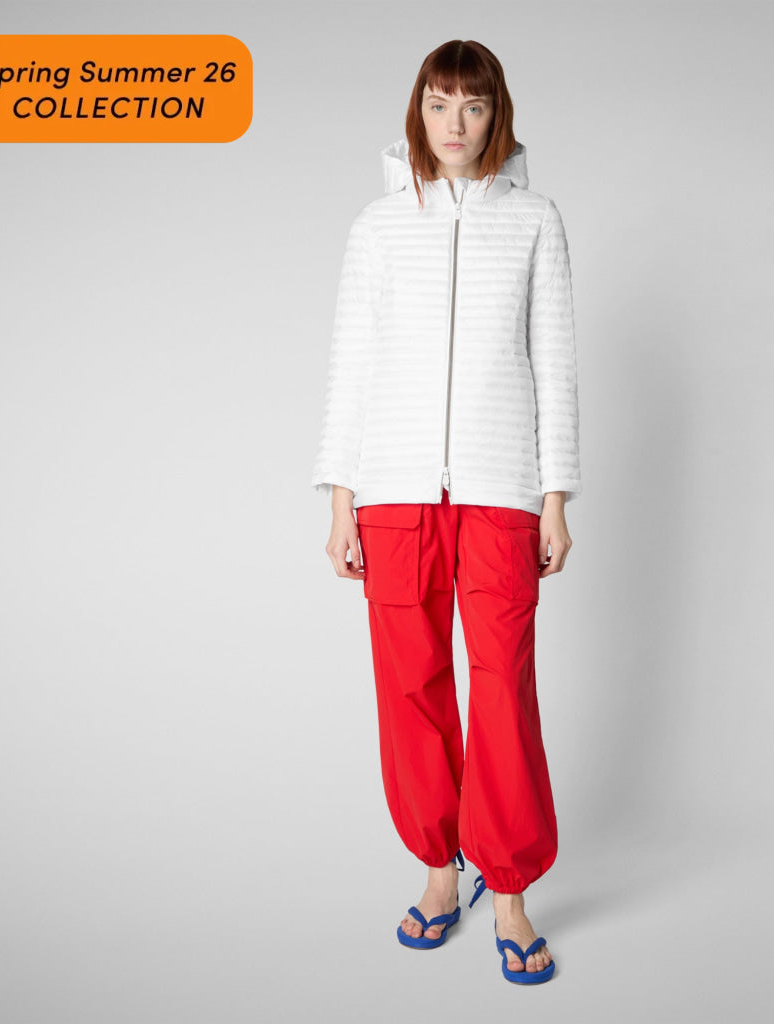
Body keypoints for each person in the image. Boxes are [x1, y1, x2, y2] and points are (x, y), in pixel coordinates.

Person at [311, 39, 580, 985]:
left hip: (501, 489)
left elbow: (555, 363)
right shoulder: (378, 226)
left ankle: (506, 888)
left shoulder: (536, 221)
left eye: (472, 104)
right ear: (416, 111)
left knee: (501, 686)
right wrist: (341, 498)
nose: (454, 123)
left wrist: (555, 497)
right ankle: (439, 870)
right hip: (392, 492)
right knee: (410, 685)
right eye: (438, 103)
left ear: (495, 112)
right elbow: (351, 366)